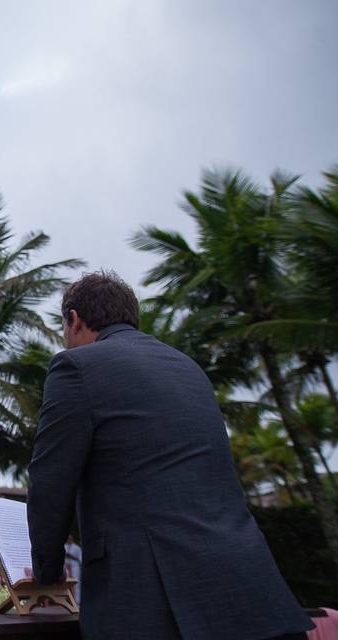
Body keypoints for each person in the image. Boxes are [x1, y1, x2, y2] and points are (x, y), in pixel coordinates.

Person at [26, 271, 313, 640]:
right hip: (253, 591)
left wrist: (46, 574)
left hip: (155, 602)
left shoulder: (75, 366)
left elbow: (50, 481)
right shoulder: (188, 368)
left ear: (74, 318)